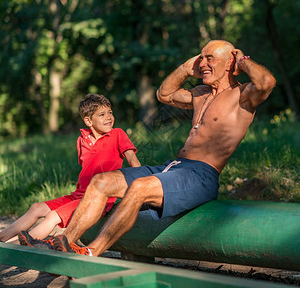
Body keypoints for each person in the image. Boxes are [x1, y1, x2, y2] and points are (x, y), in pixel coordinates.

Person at [22, 40, 276, 256]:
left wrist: (242, 61)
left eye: (210, 59)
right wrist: (186, 68)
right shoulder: (200, 94)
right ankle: (67, 243)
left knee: (140, 188)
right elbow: (164, 95)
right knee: (101, 181)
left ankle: (92, 252)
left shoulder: (242, 96)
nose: (203, 63)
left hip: (201, 175)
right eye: (201, 58)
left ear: (229, 63)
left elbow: (266, 82)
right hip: (174, 168)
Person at [0, 93, 140, 245]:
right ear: (88, 121)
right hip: (78, 195)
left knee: (53, 216)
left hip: (98, 199)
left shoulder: (117, 134)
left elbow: (133, 160)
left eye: (110, 113)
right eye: (102, 114)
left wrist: (139, 187)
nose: (108, 117)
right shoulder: (82, 140)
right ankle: (2, 238)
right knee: (36, 207)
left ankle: (11, 248)